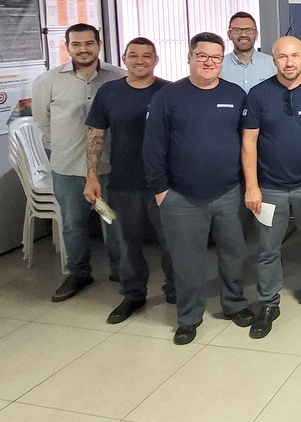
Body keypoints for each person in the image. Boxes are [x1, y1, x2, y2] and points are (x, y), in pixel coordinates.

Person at [144, 32, 255, 345]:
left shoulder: (235, 94)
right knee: (187, 262)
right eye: (202, 56)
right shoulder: (168, 96)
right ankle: (189, 317)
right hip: (181, 197)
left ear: (222, 60)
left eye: (215, 57)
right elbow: (152, 147)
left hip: (228, 193)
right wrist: (162, 192)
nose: (209, 62)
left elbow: (247, 142)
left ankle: (234, 304)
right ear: (189, 57)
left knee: (233, 255)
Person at [242, 36, 301, 338]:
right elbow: (249, 142)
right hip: (269, 187)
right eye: (283, 57)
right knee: (268, 248)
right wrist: (252, 186)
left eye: (295, 56)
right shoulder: (259, 94)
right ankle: (269, 303)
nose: (289, 62)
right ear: (274, 60)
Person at [32, 23, 126, 302]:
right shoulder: (48, 81)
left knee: (113, 221)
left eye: (89, 43)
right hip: (68, 166)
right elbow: (43, 122)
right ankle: (79, 273)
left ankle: (120, 270)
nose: (83, 49)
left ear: (99, 45)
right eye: (76, 44)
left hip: (109, 166)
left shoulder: (118, 77)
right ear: (68, 46)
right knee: (73, 224)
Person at [83, 37, 173, 324]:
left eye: (147, 56)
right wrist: (91, 176)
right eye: (134, 55)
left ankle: (176, 291)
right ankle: (133, 295)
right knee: (127, 243)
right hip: (124, 182)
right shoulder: (109, 92)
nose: (140, 60)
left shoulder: (169, 92)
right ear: (124, 59)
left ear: (156, 60)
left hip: (164, 184)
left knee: (172, 242)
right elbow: (95, 135)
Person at [218, 11, 276, 93]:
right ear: (229, 35)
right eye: (237, 30)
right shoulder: (219, 66)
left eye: (249, 30)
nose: (243, 35)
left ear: (256, 35)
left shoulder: (273, 64)